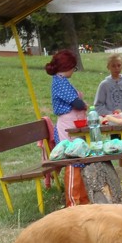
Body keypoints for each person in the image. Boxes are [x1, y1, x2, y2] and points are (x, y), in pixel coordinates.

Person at [45, 49, 89, 206]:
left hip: (73, 124)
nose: (74, 71)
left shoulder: (62, 81)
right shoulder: (60, 82)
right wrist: (83, 104)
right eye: (73, 67)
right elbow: (75, 102)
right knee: (73, 159)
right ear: (67, 66)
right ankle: (73, 201)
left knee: (79, 158)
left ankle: (82, 199)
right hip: (67, 126)